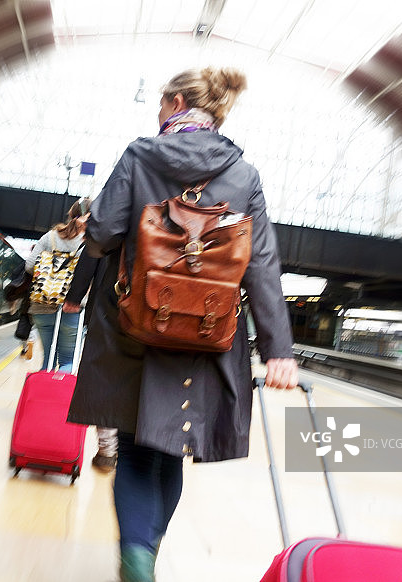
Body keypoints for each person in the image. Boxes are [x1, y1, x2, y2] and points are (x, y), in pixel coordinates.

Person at [66, 67, 299, 582]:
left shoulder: (140, 154)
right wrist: (277, 350)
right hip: (204, 334)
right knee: (172, 445)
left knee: (131, 447)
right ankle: (145, 553)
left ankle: (136, 556)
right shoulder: (244, 175)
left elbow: (103, 232)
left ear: (174, 103)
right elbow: (261, 264)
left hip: (133, 325)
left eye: (159, 103)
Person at [62, 253, 118, 473]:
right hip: (166, 314)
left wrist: (74, 297)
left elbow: (93, 251)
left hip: (111, 311)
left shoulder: (119, 217)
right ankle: (137, 447)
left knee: (106, 380)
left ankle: (107, 450)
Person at [25, 199, 91, 373]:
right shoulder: (90, 242)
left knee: (47, 359)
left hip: (42, 305)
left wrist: (50, 273)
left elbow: (30, 265)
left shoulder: (50, 236)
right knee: (68, 361)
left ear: (71, 215)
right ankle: (55, 399)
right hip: (73, 308)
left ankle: (39, 396)